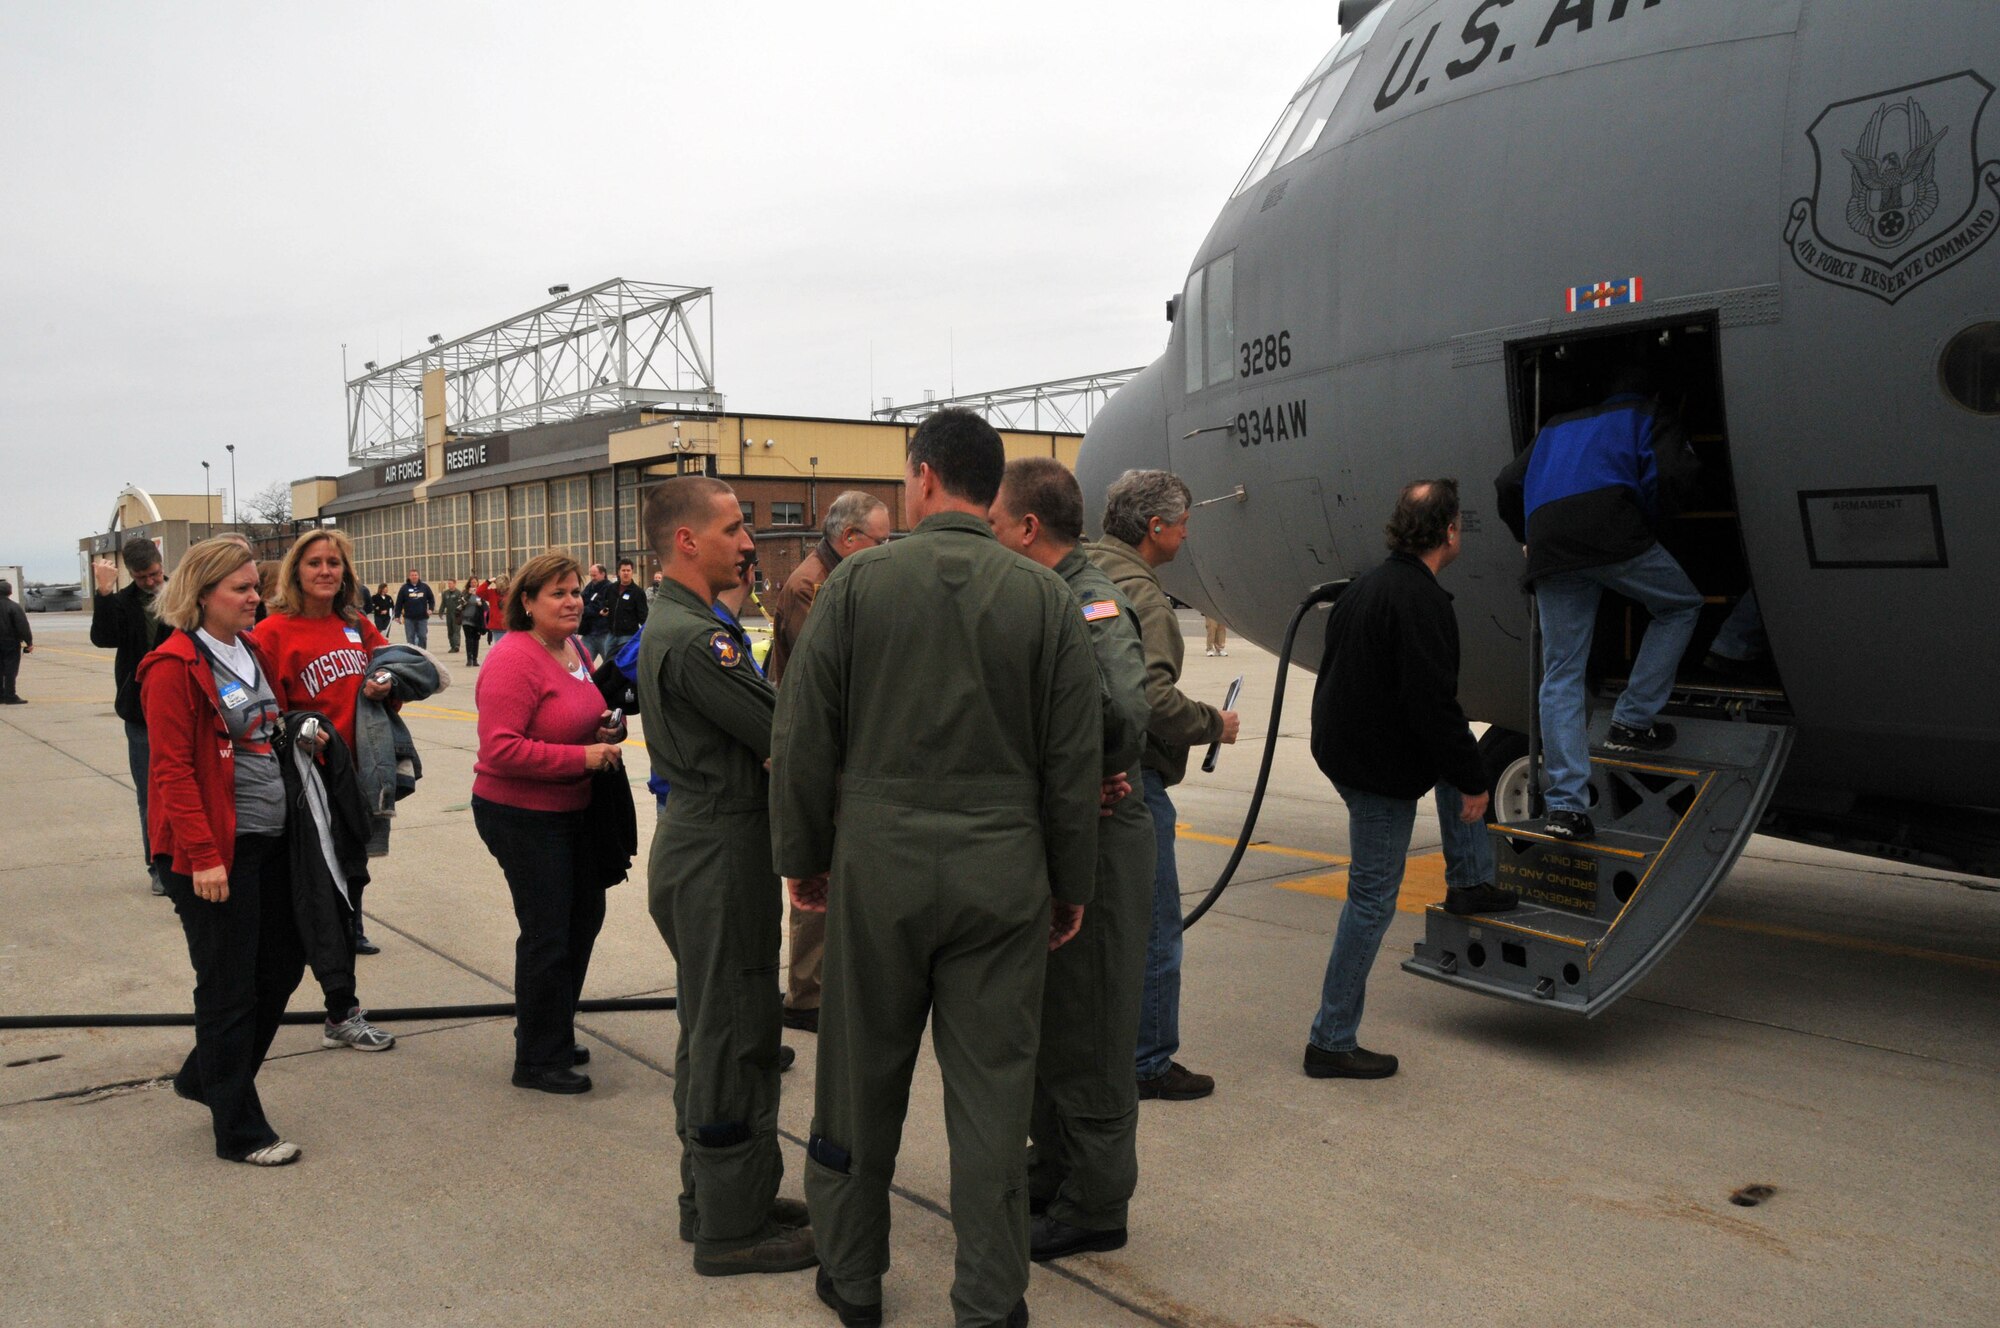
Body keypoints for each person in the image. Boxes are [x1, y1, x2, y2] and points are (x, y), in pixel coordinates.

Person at [772, 408, 1101, 1328]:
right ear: (992, 490)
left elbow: (803, 734)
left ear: (920, 477)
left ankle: (853, 1273)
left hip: (879, 866)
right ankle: (991, 1297)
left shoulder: (857, 584)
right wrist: (1070, 883)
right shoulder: (1045, 597)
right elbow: (1073, 760)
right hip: (1003, 871)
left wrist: (802, 857)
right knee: (994, 1095)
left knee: (858, 1079)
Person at [636, 477, 817, 1277]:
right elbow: (780, 731)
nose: (749, 542)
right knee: (732, 1033)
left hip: (712, 840)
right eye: (737, 528)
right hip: (718, 849)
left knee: (718, 1024)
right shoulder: (694, 640)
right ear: (687, 541)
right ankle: (730, 1229)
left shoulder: (689, 623)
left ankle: (720, 1196)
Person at [989, 457, 1156, 1264]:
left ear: (1027, 528)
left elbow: (1123, 710)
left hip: (1103, 836)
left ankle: (1096, 1201)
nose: (988, 538)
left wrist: (1083, 767)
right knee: (1056, 1014)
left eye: (994, 524)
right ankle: (1056, 1168)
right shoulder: (1045, 593)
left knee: (1090, 1016)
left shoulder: (1088, 599)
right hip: (1067, 830)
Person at [1306, 480, 1516, 1079]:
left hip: (1354, 751)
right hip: (1374, 770)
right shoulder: (1420, 602)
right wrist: (1477, 784)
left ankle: (1469, 880)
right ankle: (1330, 1040)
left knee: (1459, 760)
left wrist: (1464, 771)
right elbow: (1432, 704)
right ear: (1450, 532)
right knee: (1371, 902)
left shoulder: (1370, 585)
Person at [136, 538, 307, 1166]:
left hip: (267, 839)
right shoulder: (171, 666)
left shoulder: (250, 649)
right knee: (229, 985)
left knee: (282, 966)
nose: (254, 597)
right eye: (241, 588)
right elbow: (172, 772)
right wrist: (204, 856)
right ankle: (238, 1129)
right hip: (210, 853)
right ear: (203, 594)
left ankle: (204, 1075)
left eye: (254, 586)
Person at [1495, 362, 1703, 842]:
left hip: (1550, 546)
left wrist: (1527, 534)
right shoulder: (1648, 412)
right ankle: (1631, 719)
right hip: (1612, 530)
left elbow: (1507, 483)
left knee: (1562, 672)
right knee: (1680, 605)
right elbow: (1675, 473)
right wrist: (1649, 519)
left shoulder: (1555, 427)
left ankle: (1567, 808)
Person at [1087, 469, 1238, 1102]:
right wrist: (1212, 723)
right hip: (1133, 781)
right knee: (1153, 927)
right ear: (1155, 528)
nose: (1185, 535)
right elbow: (1147, 696)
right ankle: (1149, 1060)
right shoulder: (1143, 597)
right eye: (1182, 524)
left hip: (1078, 778)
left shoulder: (1081, 571)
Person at [471, 552, 627, 1094]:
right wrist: (579, 760)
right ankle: (537, 1058)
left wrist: (605, 731)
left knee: (584, 916)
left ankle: (549, 1026)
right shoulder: (513, 658)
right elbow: (500, 750)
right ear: (527, 602)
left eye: (576, 590)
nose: (572, 601)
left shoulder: (574, 648)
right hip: (521, 813)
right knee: (548, 931)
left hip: (571, 810)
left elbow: (578, 714)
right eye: (557, 593)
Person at [255, 527, 401, 1050]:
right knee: (324, 894)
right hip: (308, 783)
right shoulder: (272, 632)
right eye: (314, 562)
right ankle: (341, 1008)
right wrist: (299, 729)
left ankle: (341, 1000)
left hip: (359, 778)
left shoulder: (357, 625)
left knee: (352, 882)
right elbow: (262, 714)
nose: (325, 571)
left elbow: (398, 671)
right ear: (296, 570)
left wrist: (389, 684)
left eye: (334, 563)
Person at [766, 489, 892, 1036]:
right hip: (824, 753)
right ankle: (807, 995)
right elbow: (833, 672)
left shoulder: (841, 576)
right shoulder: (812, 586)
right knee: (818, 872)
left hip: (841, 750)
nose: (885, 550)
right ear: (849, 539)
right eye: (880, 541)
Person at [91, 540, 175, 891]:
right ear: (130, 574)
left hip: (180, 707)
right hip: (139, 710)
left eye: (155, 574)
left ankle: (186, 860)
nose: (152, 582)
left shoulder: (182, 594)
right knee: (149, 792)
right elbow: (103, 637)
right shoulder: (122, 602)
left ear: (161, 564)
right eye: (142, 578)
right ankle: (157, 865)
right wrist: (104, 593)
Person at [607, 558, 648, 653]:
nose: (626, 573)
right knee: (608, 661)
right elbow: (605, 603)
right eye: (623, 570)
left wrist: (646, 632)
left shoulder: (638, 592)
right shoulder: (611, 588)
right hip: (611, 634)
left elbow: (643, 615)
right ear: (618, 572)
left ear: (632, 572)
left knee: (623, 661)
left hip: (627, 635)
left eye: (628, 570)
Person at [0, 579, 30, 704]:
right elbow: (22, 625)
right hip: (10, 643)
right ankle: (10, 695)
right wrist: (29, 642)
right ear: (9, 592)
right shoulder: (14, 607)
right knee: (10, 669)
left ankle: (1, 694)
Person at [392, 568, 435, 649]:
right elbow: (399, 602)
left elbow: (431, 599)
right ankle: (412, 654)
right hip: (409, 618)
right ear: (409, 577)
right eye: (412, 575)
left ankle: (422, 653)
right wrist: (397, 615)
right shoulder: (404, 588)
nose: (414, 577)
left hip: (422, 617)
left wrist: (431, 609)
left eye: (415, 575)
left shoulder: (425, 587)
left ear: (418, 576)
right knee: (410, 637)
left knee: (422, 636)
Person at [581, 563, 613, 662]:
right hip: (588, 633)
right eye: (591, 575)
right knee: (583, 662)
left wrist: (585, 609)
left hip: (604, 633)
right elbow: (581, 601)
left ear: (603, 574)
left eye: (594, 575)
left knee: (608, 663)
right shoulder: (589, 587)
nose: (592, 578)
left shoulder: (610, 588)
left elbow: (599, 607)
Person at [460, 588, 487, 668]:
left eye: (475, 582)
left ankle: (475, 659)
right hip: (466, 620)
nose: (473, 584)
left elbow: (485, 607)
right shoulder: (465, 593)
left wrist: (481, 604)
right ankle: (469, 659)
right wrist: (469, 594)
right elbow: (461, 603)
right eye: (472, 583)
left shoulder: (480, 595)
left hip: (477, 621)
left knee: (476, 640)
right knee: (468, 639)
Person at [441, 579, 468, 656]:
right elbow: (443, 603)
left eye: (451, 583)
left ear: (455, 584)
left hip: (457, 614)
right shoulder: (445, 593)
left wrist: (462, 612)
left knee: (456, 630)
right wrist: (441, 612)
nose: (449, 585)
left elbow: (463, 603)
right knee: (450, 631)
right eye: (448, 583)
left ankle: (456, 645)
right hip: (449, 614)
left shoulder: (459, 593)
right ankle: (452, 645)